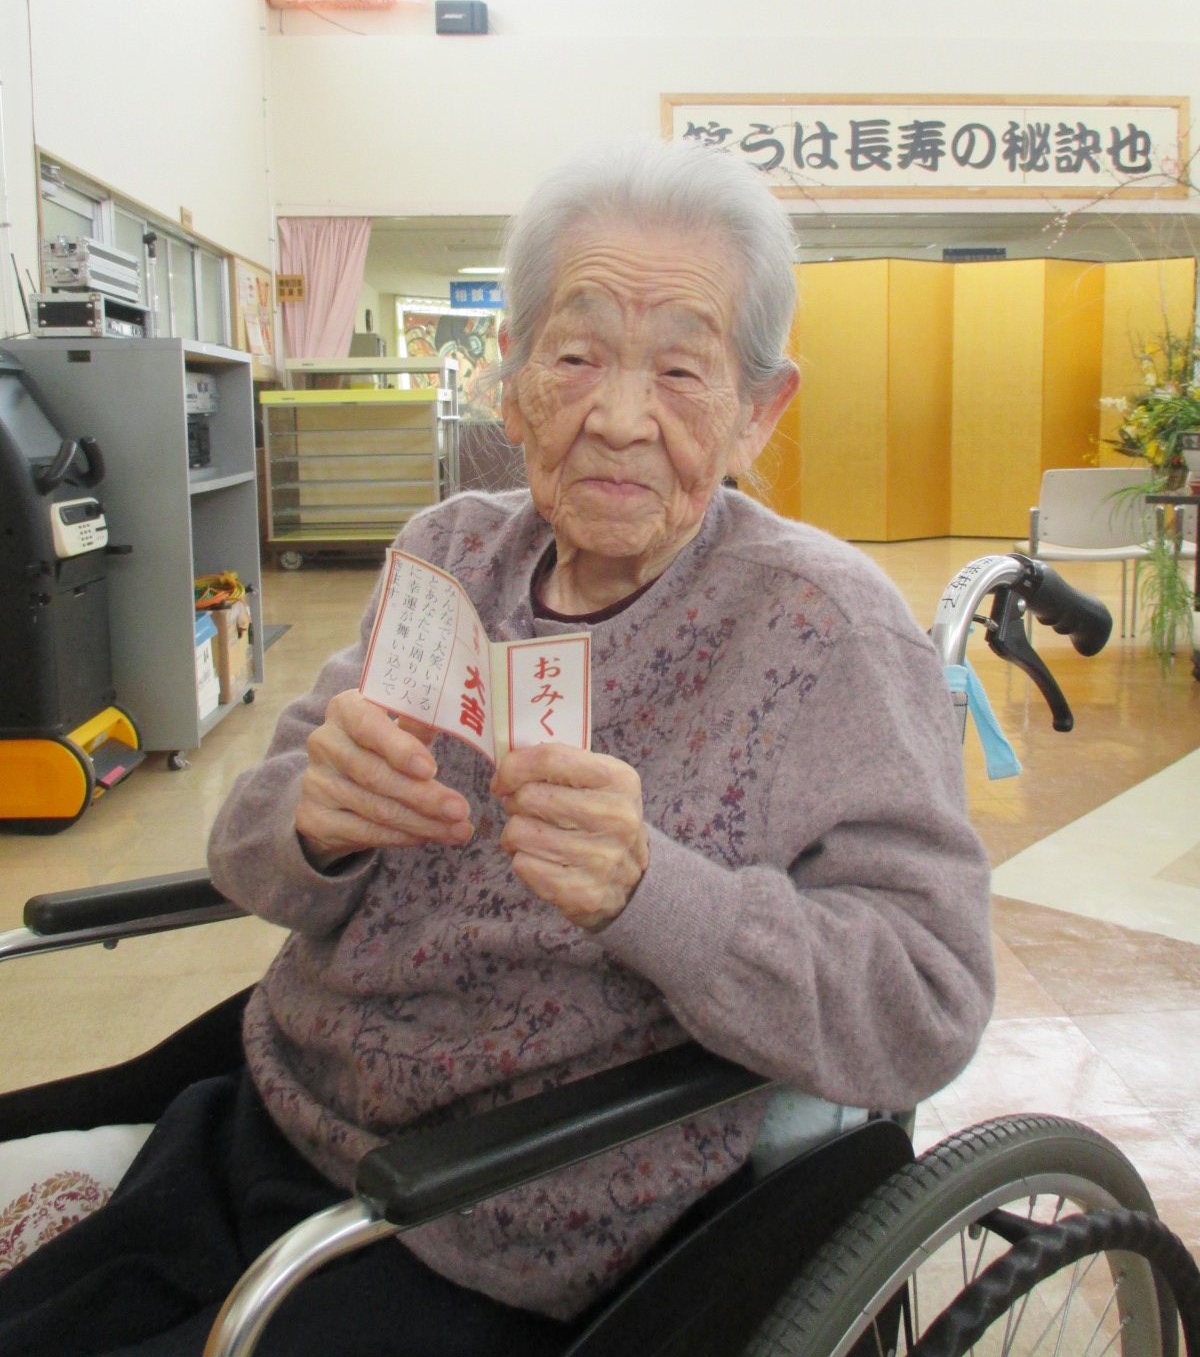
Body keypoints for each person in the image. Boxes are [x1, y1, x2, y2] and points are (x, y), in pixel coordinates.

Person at [0, 139, 994, 1356]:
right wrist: (312, 822)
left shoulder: (822, 630)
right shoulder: (452, 549)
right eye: (576, 357)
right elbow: (247, 853)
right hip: (272, 1109)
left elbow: (928, 1001)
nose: (618, 419)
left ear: (758, 410)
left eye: (682, 369)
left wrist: (654, 892)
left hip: (503, 1223)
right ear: (512, 379)